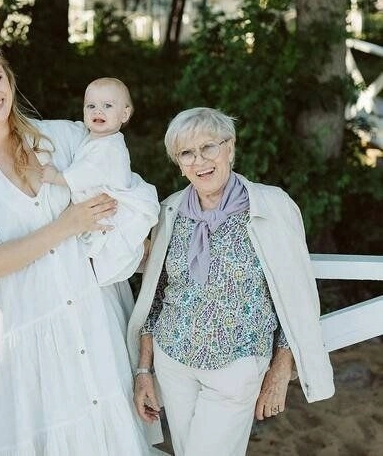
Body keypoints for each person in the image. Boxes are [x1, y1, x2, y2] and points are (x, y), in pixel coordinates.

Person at [0, 38, 162, 455]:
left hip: (93, 318)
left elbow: (124, 188)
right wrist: (66, 225)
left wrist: (135, 241)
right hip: (26, 339)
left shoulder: (64, 138)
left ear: (10, 80)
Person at [127, 107, 335, 456]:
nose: (200, 161)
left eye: (209, 147)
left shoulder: (272, 206)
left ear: (230, 148)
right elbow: (155, 297)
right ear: (178, 163)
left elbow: (296, 296)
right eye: (187, 153)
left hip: (237, 367)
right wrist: (144, 369)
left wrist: (281, 370)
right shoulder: (169, 212)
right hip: (173, 362)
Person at [40, 77, 159, 285]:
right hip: (99, 206)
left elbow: (87, 172)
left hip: (114, 210)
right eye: (91, 106)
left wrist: (56, 177)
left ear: (124, 114)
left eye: (107, 106)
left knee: (112, 249)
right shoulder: (96, 139)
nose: (98, 111)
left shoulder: (110, 147)